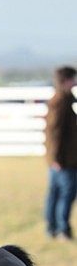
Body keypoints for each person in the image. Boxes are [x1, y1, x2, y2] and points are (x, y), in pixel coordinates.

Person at [44, 65, 77, 240]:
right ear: (66, 80)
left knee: (55, 194)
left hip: (59, 159)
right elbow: (55, 132)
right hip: (64, 161)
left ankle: (53, 228)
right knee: (65, 194)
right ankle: (62, 229)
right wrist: (56, 158)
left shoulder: (62, 100)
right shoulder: (62, 102)